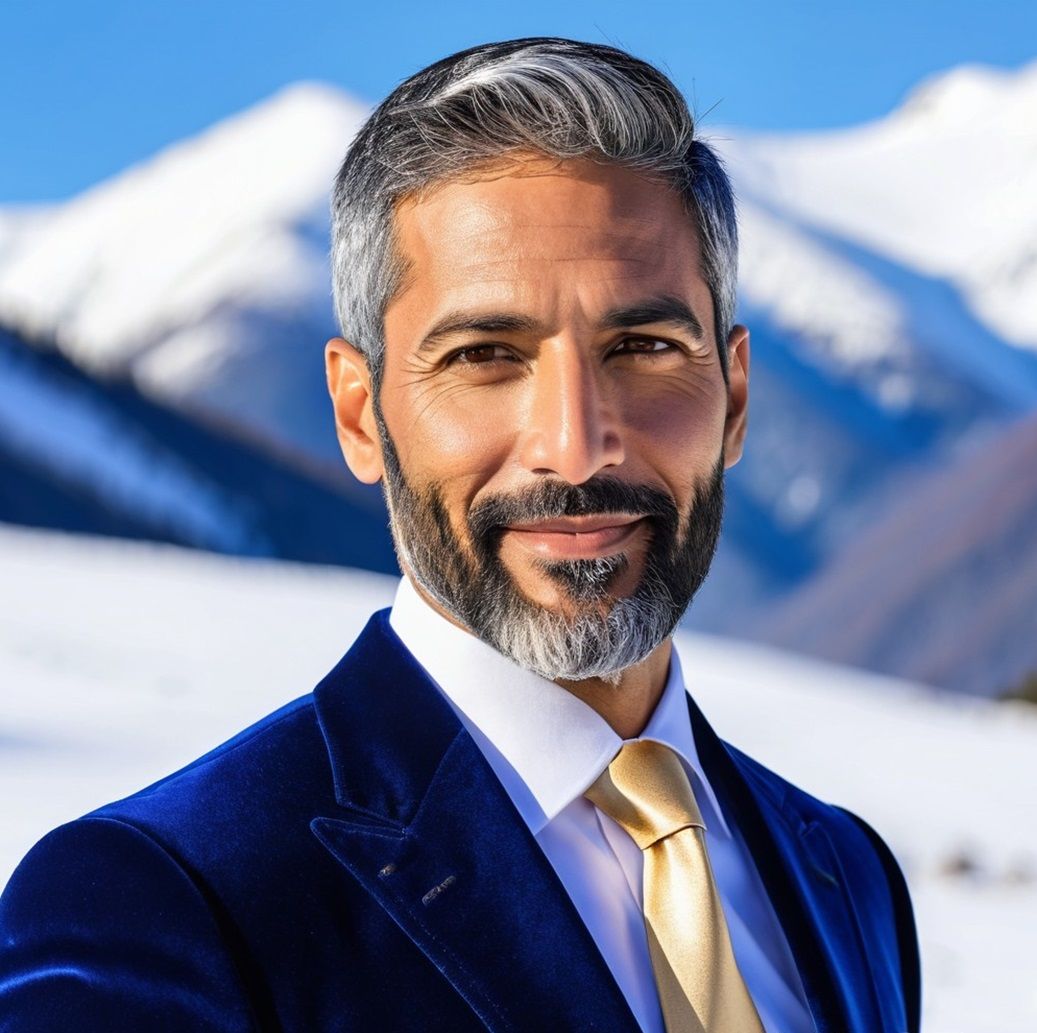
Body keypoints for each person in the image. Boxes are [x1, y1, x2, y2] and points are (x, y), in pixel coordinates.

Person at [0, 38, 920, 1033]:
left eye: (644, 348)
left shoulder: (843, 873)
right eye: (485, 356)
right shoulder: (161, 905)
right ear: (360, 415)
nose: (574, 448)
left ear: (732, 397)